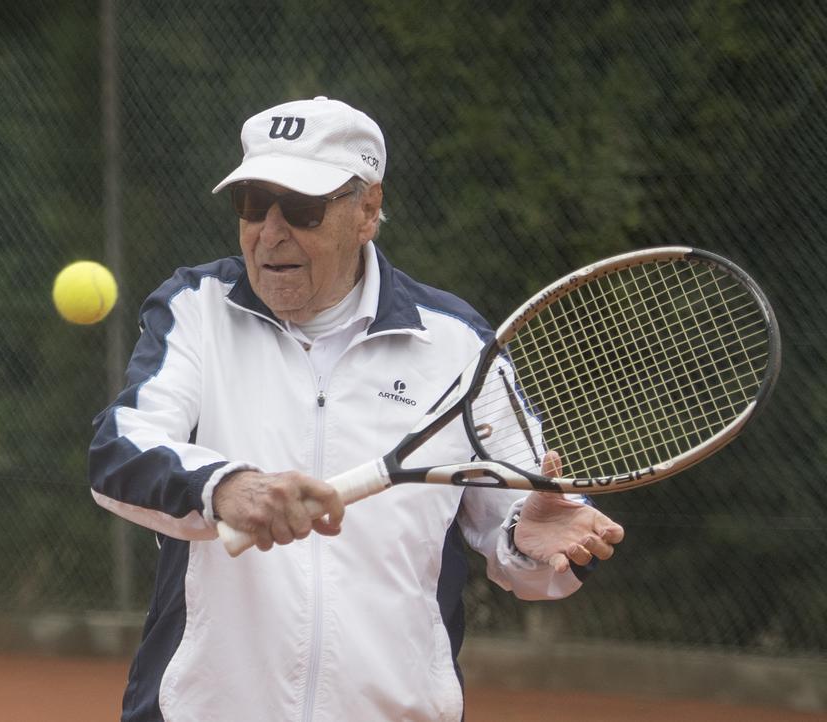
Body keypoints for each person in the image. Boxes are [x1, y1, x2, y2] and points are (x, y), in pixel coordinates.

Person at [89, 96, 625, 722]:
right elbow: (120, 450)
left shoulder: (455, 345)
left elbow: (525, 537)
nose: (271, 231)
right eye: (252, 204)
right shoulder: (195, 310)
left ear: (368, 210)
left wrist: (531, 542)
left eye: (302, 208)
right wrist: (224, 486)